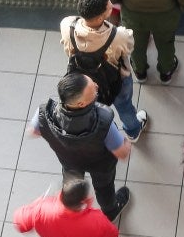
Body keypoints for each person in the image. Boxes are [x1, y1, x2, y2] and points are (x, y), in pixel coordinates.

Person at [31, 73, 132, 223]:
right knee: (104, 188)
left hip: (69, 162)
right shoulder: (104, 122)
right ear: (81, 104)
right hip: (101, 165)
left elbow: (34, 131)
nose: (97, 86)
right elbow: (122, 153)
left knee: (72, 187)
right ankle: (110, 211)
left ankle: (72, 211)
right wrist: (127, 143)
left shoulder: (43, 114)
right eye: (94, 90)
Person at [61, 0, 147, 142]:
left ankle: (107, 132)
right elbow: (129, 47)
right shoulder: (118, 35)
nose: (112, 6)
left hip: (83, 83)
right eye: (109, 7)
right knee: (124, 106)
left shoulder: (67, 25)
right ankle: (133, 131)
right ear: (101, 17)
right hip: (116, 80)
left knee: (97, 110)